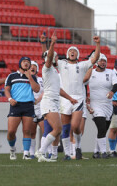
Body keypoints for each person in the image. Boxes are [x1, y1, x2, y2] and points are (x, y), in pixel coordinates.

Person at [35, 32, 77, 162]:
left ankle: (47, 154)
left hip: (52, 101)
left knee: (56, 130)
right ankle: (40, 152)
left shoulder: (53, 70)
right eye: (55, 56)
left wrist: (70, 98)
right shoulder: (47, 68)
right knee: (58, 129)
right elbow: (48, 57)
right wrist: (52, 43)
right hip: (48, 101)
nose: (57, 57)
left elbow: (58, 89)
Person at [58, 37, 100, 160]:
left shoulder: (82, 65)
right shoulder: (62, 64)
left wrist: (97, 44)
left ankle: (78, 148)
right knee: (65, 129)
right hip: (65, 99)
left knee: (75, 126)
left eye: (75, 51)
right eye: (70, 51)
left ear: (78, 54)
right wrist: (50, 43)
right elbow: (47, 58)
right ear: (67, 54)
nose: (72, 52)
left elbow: (95, 58)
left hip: (78, 99)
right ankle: (67, 154)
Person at [5, 56, 40, 160]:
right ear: (20, 63)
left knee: (27, 131)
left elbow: (37, 89)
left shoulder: (33, 77)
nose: (26, 64)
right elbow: (6, 90)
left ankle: (26, 153)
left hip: (28, 105)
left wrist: (29, 76)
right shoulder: (11, 76)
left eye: (28, 62)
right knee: (11, 131)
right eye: (24, 62)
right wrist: (10, 99)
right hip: (15, 105)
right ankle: (12, 150)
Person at [85, 53, 117, 159]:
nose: (103, 62)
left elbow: (116, 84)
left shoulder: (111, 72)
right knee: (101, 127)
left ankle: (96, 152)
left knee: (102, 130)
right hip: (95, 104)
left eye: (104, 61)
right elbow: (83, 84)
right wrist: (86, 99)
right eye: (101, 60)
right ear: (96, 62)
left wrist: (112, 92)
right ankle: (104, 152)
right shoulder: (91, 72)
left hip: (108, 105)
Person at [28, 61, 44, 158]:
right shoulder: (26, 80)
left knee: (45, 130)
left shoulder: (42, 79)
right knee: (32, 132)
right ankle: (32, 153)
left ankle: (46, 151)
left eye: (35, 66)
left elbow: (46, 91)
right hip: (31, 108)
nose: (33, 68)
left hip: (42, 107)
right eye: (31, 66)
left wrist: (38, 99)